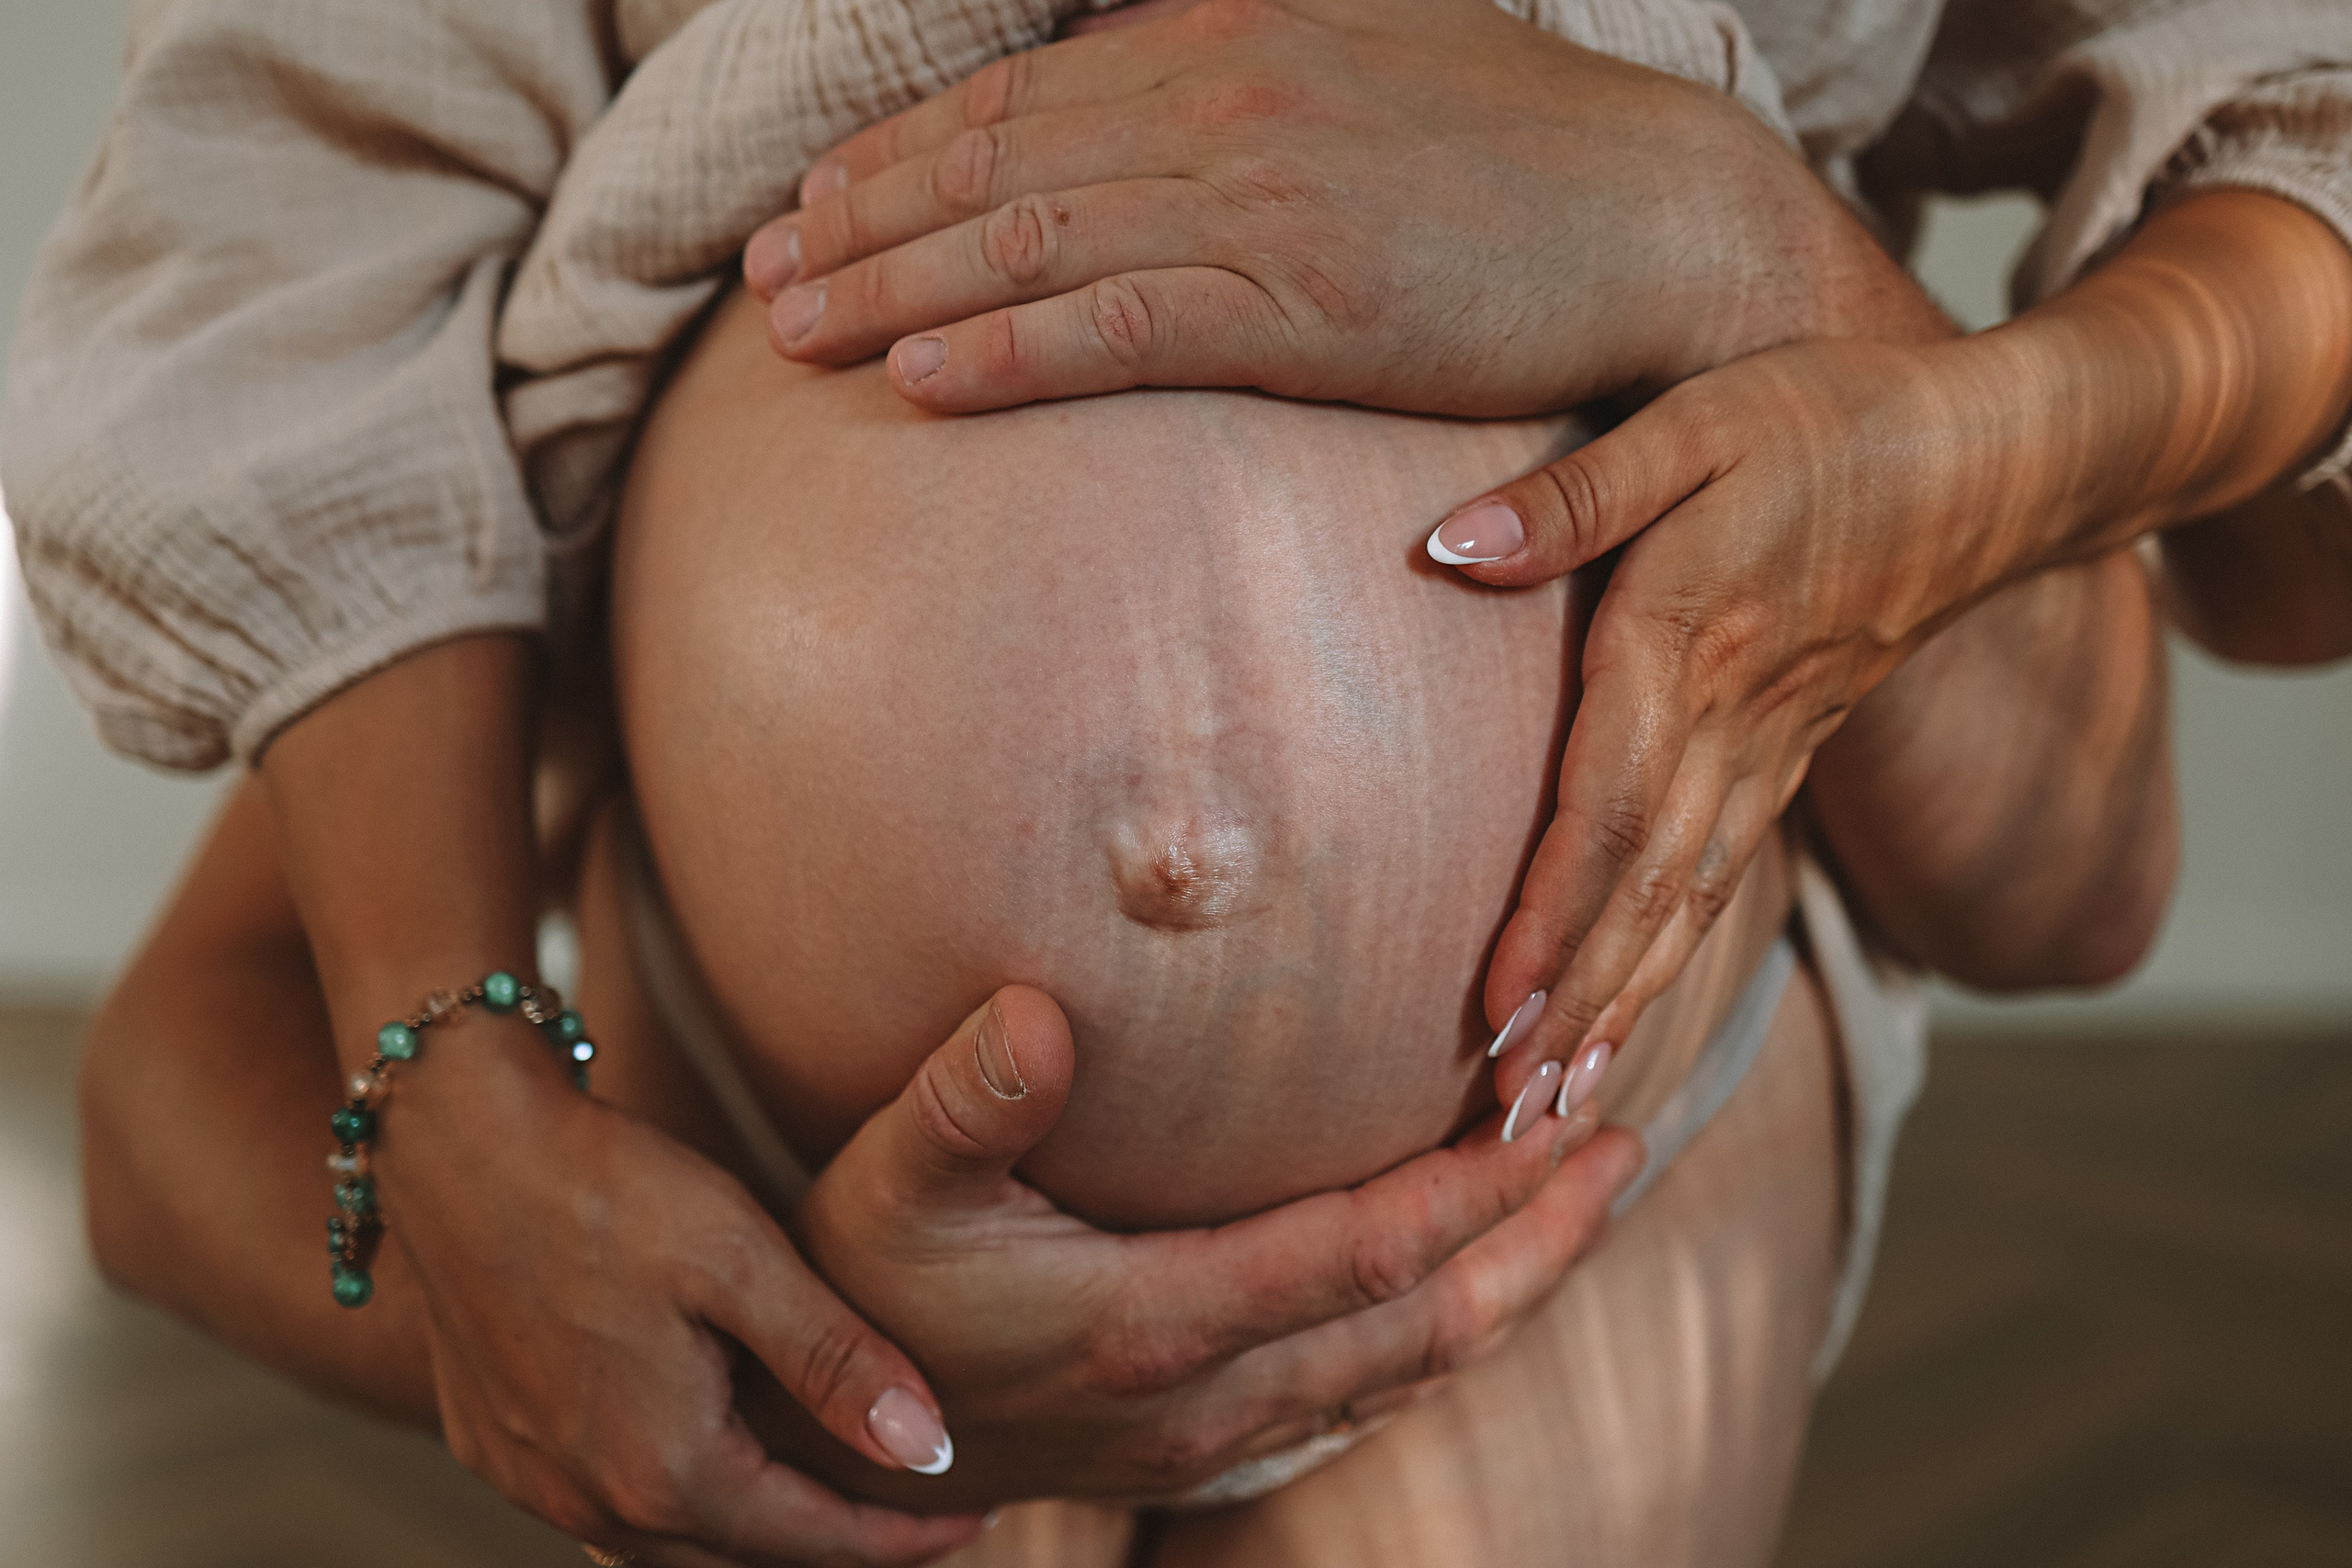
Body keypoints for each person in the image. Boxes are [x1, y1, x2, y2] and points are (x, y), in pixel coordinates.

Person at [6, 0, 2331, 1556]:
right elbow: (164, 1106)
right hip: (788, 1168)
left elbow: (2283, 199)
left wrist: (1734, 237)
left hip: (1573, 1185)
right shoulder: (456, 505)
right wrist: (558, 1269)